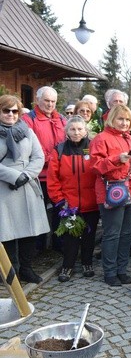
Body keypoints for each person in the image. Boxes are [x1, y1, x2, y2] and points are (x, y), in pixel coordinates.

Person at [90, 104, 131, 287]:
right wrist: (116, 159)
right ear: (112, 120)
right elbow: (95, 166)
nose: (124, 123)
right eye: (120, 119)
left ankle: (121, 270)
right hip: (113, 193)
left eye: (127, 119)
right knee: (112, 234)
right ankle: (110, 272)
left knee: (126, 234)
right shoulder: (102, 139)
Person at [0, 95, 50, 284]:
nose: (11, 115)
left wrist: (26, 175)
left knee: (29, 230)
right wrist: (14, 176)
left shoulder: (27, 131)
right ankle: (11, 271)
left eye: (15, 111)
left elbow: (38, 156)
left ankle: (27, 269)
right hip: (4, 187)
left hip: (27, 185)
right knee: (8, 231)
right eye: (6, 110)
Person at [47, 116, 99, 282]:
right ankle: (67, 266)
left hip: (91, 203)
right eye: (72, 129)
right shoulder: (59, 150)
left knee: (89, 236)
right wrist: (60, 200)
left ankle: (87, 262)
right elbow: (53, 179)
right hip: (69, 204)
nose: (76, 132)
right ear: (67, 131)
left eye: (79, 129)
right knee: (70, 237)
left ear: (85, 130)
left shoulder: (93, 148)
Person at [22, 86, 67, 254]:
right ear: (38, 100)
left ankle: (58, 243)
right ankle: (37, 247)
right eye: (47, 101)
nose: (50, 104)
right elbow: (31, 146)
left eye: (53, 101)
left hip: (57, 175)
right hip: (38, 176)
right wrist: (51, 159)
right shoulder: (28, 119)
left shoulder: (61, 119)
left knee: (59, 209)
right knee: (37, 212)